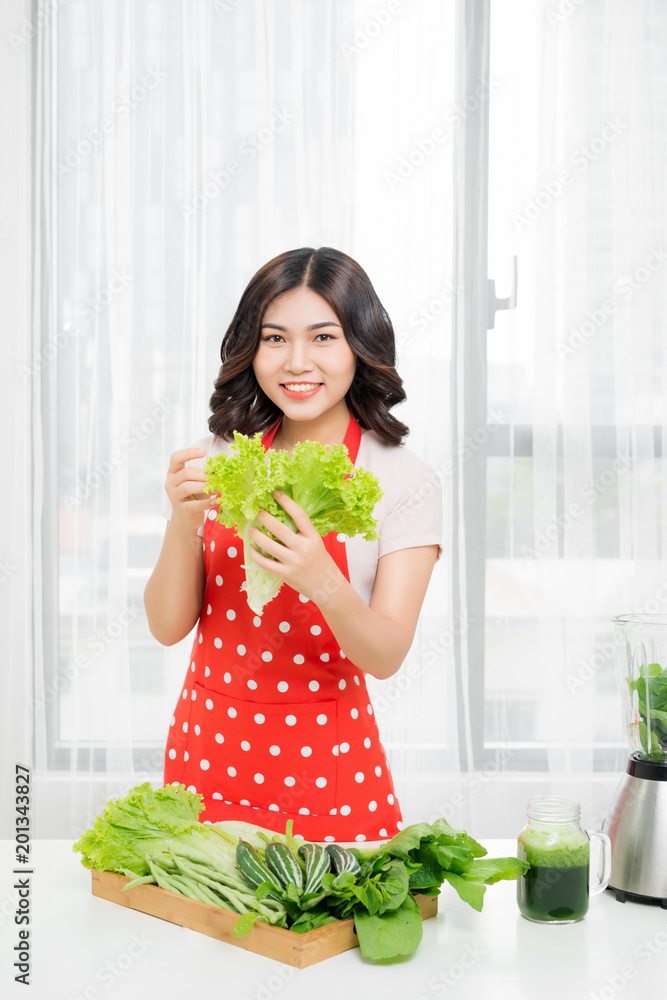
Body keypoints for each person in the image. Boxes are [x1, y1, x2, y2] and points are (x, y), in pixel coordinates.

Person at [144, 246, 442, 843]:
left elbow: (384, 657)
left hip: (326, 773)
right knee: (205, 933)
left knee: (318, 934)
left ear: (361, 345)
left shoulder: (402, 479)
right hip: (209, 753)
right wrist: (181, 524)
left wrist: (323, 581)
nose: (296, 362)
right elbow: (167, 626)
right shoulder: (223, 457)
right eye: (274, 339)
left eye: (324, 337)